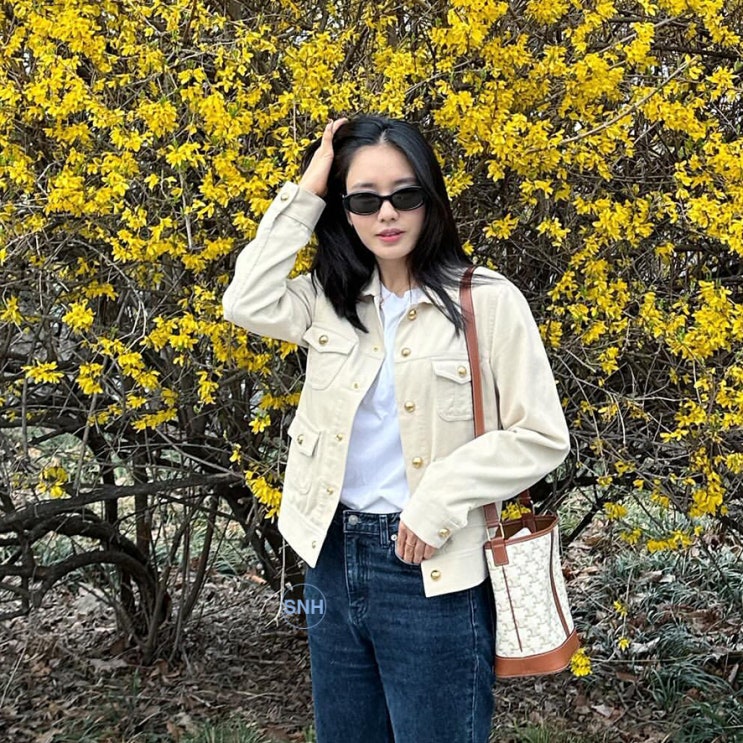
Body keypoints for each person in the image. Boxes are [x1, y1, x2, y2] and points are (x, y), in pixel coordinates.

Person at [222, 115, 570, 743]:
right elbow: (245, 301)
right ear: (344, 211)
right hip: (331, 555)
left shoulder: (487, 302)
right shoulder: (329, 299)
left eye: (405, 195)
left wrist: (440, 498)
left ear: (430, 199)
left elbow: (541, 434)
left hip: (432, 563)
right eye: (364, 199)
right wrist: (308, 190)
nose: (387, 214)